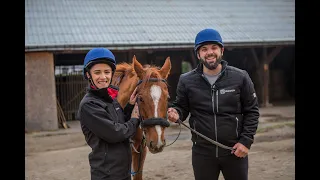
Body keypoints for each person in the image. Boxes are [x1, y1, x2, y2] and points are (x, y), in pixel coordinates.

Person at [167, 28, 260, 180]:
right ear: (198, 54)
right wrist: (176, 113)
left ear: (221, 50)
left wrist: (246, 142)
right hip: (202, 153)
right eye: (204, 49)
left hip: (234, 150)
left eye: (214, 47)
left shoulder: (240, 77)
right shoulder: (186, 80)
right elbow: (181, 107)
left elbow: (252, 111)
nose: (209, 52)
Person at [78, 47, 140, 180]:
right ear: (88, 75)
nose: (103, 77)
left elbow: (120, 121)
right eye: (97, 72)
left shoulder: (111, 98)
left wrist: (129, 106)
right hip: (106, 174)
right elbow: (115, 133)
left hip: (123, 172)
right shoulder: (89, 105)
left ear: (112, 73)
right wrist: (134, 120)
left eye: (107, 72)